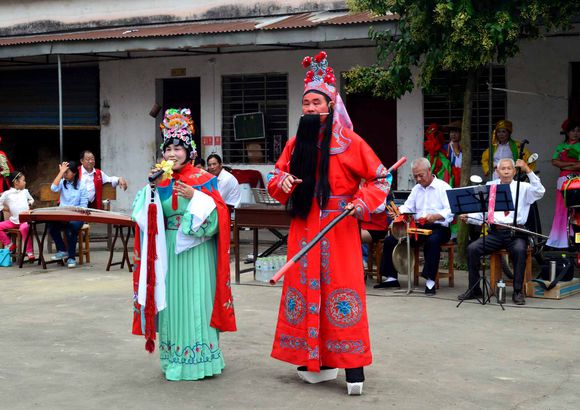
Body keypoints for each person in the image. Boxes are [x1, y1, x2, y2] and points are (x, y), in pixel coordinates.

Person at [267, 51, 390, 395]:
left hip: (338, 227)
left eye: (316, 102)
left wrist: (361, 202)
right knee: (305, 290)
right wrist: (284, 184)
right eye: (305, 103)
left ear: (331, 104)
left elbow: (380, 179)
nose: (309, 108)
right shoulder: (295, 144)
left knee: (342, 291)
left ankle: (353, 366)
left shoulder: (351, 143)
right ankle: (312, 359)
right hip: (304, 225)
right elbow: (275, 177)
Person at [131, 108, 236, 381]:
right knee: (170, 303)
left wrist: (195, 197)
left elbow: (220, 218)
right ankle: (174, 360)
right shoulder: (158, 181)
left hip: (197, 253)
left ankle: (202, 361)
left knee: (196, 302)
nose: (173, 154)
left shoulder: (204, 181)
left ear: (189, 151)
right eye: (168, 148)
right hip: (166, 253)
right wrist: (151, 189)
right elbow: (140, 215)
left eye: (179, 148)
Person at [458, 158, 545, 305]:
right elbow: (484, 213)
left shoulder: (523, 187)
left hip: (516, 233)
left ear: (514, 171)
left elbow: (540, 191)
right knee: (472, 248)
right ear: (497, 172)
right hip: (495, 233)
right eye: (502, 168)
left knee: (519, 250)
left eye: (509, 168)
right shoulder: (490, 187)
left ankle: (518, 291)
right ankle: (474, 289)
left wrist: (528, 170)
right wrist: (469, 217)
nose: (506, 171)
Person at [375, 158, 453, 295]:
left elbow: (451, 211)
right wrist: (399, 212)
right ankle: (392, 278)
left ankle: (430, 281)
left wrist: (435, 216)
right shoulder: (417, 189)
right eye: (415, 176)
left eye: (420, 175)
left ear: (430, 171)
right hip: (418, 227)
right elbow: (408, 206)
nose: (418, 179)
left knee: (432, 241)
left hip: (439, 227)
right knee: (390, 240)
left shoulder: (443, 187)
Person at [48, 161, 89, 268]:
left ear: (74, 173)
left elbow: (84, 206)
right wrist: (61, 172)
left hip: (77, 216)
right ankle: (62, 250)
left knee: (71, 227)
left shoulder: (81, 185)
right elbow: (53, 188)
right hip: (62, 215)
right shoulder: (62, 182)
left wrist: (74, 213)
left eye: (67, 172)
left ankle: (71, 257)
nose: (65, 174)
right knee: (51, 225)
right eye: (63, 172)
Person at [547, 119, 580, 248]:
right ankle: (561, 239)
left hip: (577, 180)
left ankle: (574, 238)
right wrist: (573, 165)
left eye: (578, 131)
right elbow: (554, 162)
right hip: (563, 180)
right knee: (562, 209)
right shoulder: (560, 146)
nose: (576, 133)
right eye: (573, 131)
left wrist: (564, 165)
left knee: (576, 210)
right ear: (567, 132)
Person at [0, 171, 34, 260]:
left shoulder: (25, 192)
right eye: (23, 180)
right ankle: (9, 244)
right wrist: (6, 209)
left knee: (24, 228)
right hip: (13, 221)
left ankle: (29, 252)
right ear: (16, 182)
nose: (25, 182)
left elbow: (31, 200)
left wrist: (29, 204)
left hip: (24, 220)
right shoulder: (7, 194)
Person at [442, 120, 462, 188]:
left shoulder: (465, 148)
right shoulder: (445, 148)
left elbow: (460, 165)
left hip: (460, 178)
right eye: (451, 132)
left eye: (456, 132)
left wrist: (457, 151)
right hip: (448, 179)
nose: (453, 134)